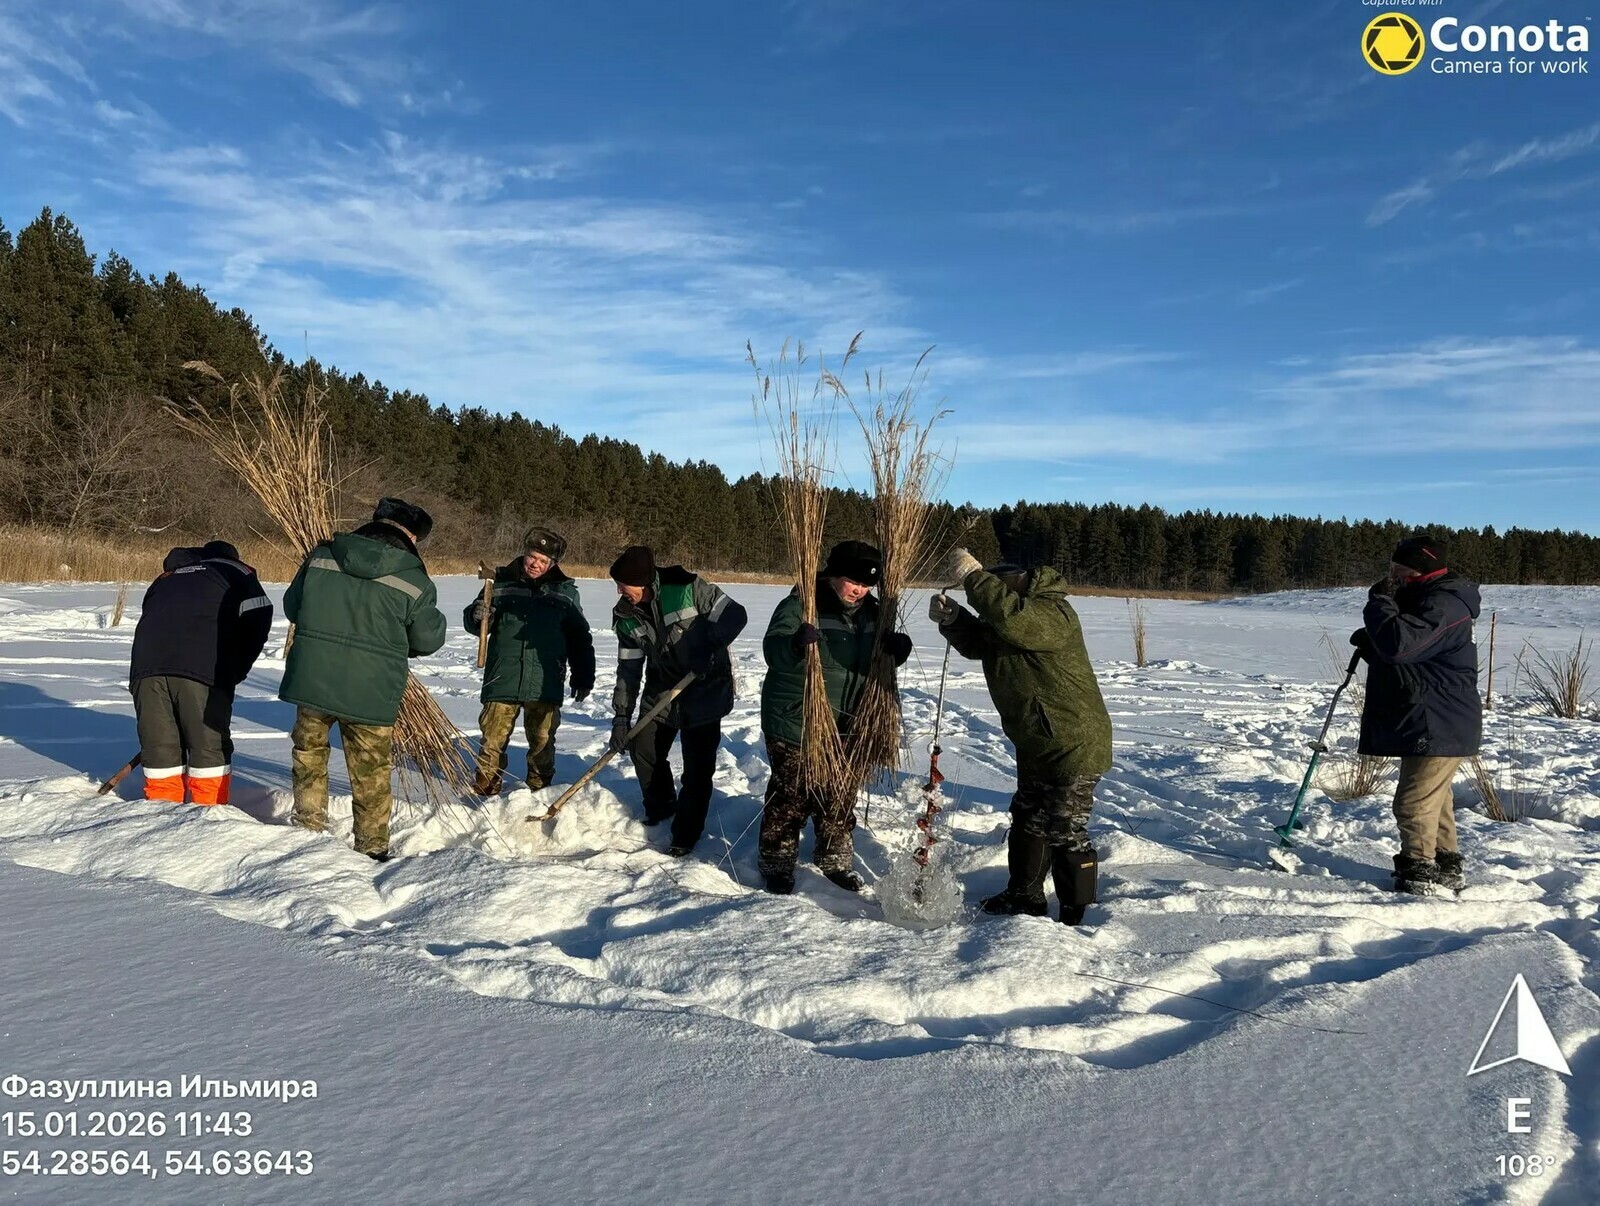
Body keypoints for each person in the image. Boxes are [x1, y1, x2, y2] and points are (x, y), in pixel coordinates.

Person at [929, 548, 1113, 924]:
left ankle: (1078, 913)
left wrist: (974, 578)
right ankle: (1024, 895)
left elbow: (1015, 621)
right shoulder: (1013, 619)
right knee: (1028, 816)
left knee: (1065, 825)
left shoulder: (1052, 613)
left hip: (1072, 740)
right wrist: (954, 620)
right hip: (1037, 740)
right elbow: (982, 643)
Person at [280, 497, 447, 861]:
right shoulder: (413, 579)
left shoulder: (321, 556)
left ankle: (308, 832)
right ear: (413, 538)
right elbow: (427, 639)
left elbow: (293, 607)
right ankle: (372, 850)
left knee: (309, 755)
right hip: (371, 689)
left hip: (313, 678)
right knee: (370, 770)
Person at [758, 540, 913, 895]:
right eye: (853, 581)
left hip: (852, 719)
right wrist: (796, 644)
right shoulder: (802, 603)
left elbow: (872, 661)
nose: (860, 590)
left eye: (868, 584)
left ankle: (834, 858)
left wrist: (896, 651)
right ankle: (777, 862)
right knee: (793, 794)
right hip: (798, 718)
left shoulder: (874, 613)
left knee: (840, 794)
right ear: (833, 575)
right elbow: (773, 651)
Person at [1350, 534, 1481, 895]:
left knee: (1412, 803)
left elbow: (1401, 644)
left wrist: (1379, 606)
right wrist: (1373, 639)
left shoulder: (1444, 605)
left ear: (1420, 567)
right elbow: (1407, 652)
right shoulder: (1423, 599)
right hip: (1431, 714)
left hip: (1441, 719)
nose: (1392, 575)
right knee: (1433, 802)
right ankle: (1446, 866)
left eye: (1399, 569)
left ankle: (1419, 874)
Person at [608, 545, 747, 857]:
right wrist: (621, 718)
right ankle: (661, 807)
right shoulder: (626, 617)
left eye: (622, 584)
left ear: (642, 583)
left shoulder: (687, 589)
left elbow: (735, 614)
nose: (618, 591)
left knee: (698, 769)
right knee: (644, 749)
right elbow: (628, 671)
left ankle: (685, 834)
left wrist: (710, 646)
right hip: (662, 691)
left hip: (704, 689)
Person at [128, 540, 273, 805]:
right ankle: (207, 816)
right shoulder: (238, 573)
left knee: (160, 750)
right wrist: (233, 672)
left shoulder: (166, 577)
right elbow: (258, 622)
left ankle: (160, 814)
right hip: (201, 671)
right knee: (208, 749)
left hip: (145, 670)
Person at [464, 527, 595, 795]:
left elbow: (580, 638)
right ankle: (485, 788)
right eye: (532, 557)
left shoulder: (565, 593)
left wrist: (583, 675)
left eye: (543, 561)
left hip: (544, 680)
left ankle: (539, 789)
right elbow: (476, 623)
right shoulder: (500, 583)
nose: (535, 564)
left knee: (542, 742)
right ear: (524, 554)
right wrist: (477, 615)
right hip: (503, 676)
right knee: (492, 739)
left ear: (553, 564)